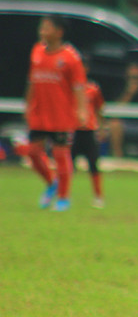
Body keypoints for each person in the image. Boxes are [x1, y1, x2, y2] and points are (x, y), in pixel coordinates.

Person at [23, 15, 88, 211]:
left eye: (47, 27)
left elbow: (79, 87)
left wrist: (82, 110)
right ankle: (52, 182)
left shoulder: (70, 57)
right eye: (42, 27)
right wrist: (27, 105)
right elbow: (32, 81)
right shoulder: (36, 51)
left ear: (59, 32)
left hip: (61, 115)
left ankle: (63, 198)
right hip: (39, 113)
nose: (42, 30)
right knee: (33, 153)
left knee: (61, 154)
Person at [71, 76, 106, 208]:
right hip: (72, 130)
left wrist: (102, 127)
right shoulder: (68, 87)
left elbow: (99, 109)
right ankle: (63, 196)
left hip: (89, 130)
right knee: (68, 166)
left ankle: (98, 196)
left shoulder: (93, 88)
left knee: (93, 164)